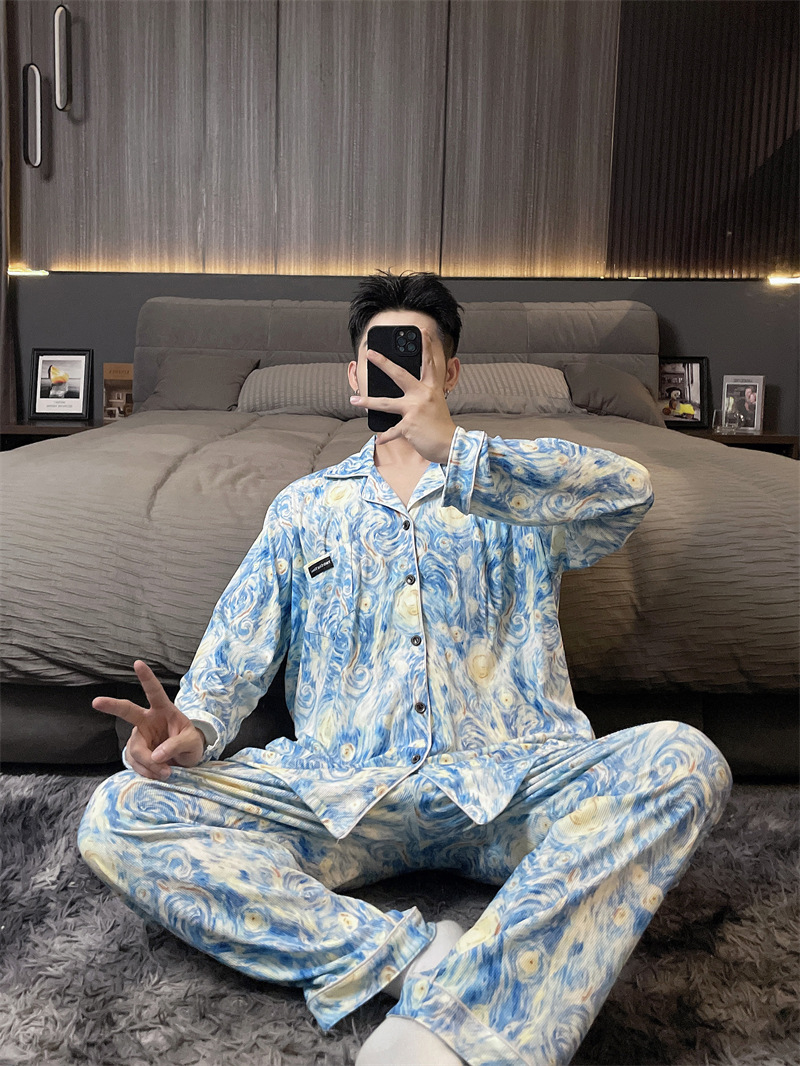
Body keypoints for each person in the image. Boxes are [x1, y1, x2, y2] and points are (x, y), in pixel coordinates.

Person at [78, 271, 732, 1066]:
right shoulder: (305, 508)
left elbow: (629, 492)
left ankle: (459, 1026)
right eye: (377, 359)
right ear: (353, 377)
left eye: (413, 357)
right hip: (341, 792)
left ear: (448, 373)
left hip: (514, 787)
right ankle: (414, 960)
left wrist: (457, 450)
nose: (392, 372)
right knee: (120, 812)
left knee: (685, 760)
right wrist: (197, 725)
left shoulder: (516, 490)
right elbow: (235, 652)